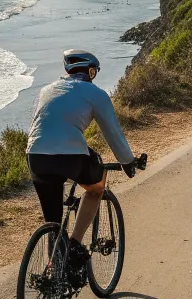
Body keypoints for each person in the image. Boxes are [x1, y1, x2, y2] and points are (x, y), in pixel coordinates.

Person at [26, 50, 137, 282]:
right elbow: (113, 133)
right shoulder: (94, 93)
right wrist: (128, 162)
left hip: (35, 155)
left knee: (53, 223)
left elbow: (39, 126)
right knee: (96, 188)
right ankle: (75, 245)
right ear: (91, 71)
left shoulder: (46, 90)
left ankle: (54, 271)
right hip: (70, 155)